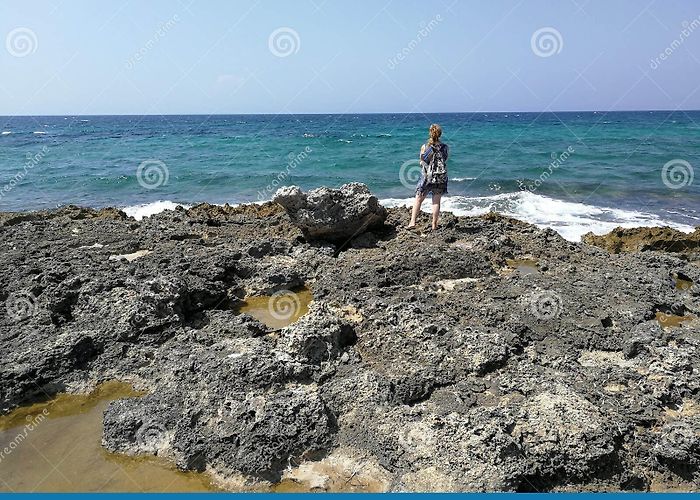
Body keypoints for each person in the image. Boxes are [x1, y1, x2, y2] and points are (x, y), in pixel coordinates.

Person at [408, 124, 449, 230]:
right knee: (436, 201)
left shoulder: (425, 147)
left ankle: (412, 222)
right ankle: (434, 225)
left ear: (430, 133)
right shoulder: (445, 147)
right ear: (440, 134)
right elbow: (445, 160)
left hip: (427, 177)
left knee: (418, 199)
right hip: (441, 177)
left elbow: (422, 162)